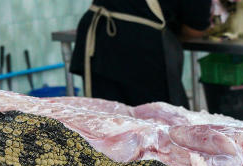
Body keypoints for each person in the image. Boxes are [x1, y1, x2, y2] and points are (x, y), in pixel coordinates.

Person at [71, 0, 213, 108]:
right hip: (137, 47)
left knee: (107, 124)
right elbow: (194, 30)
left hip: (98, 35)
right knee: (156, 128)